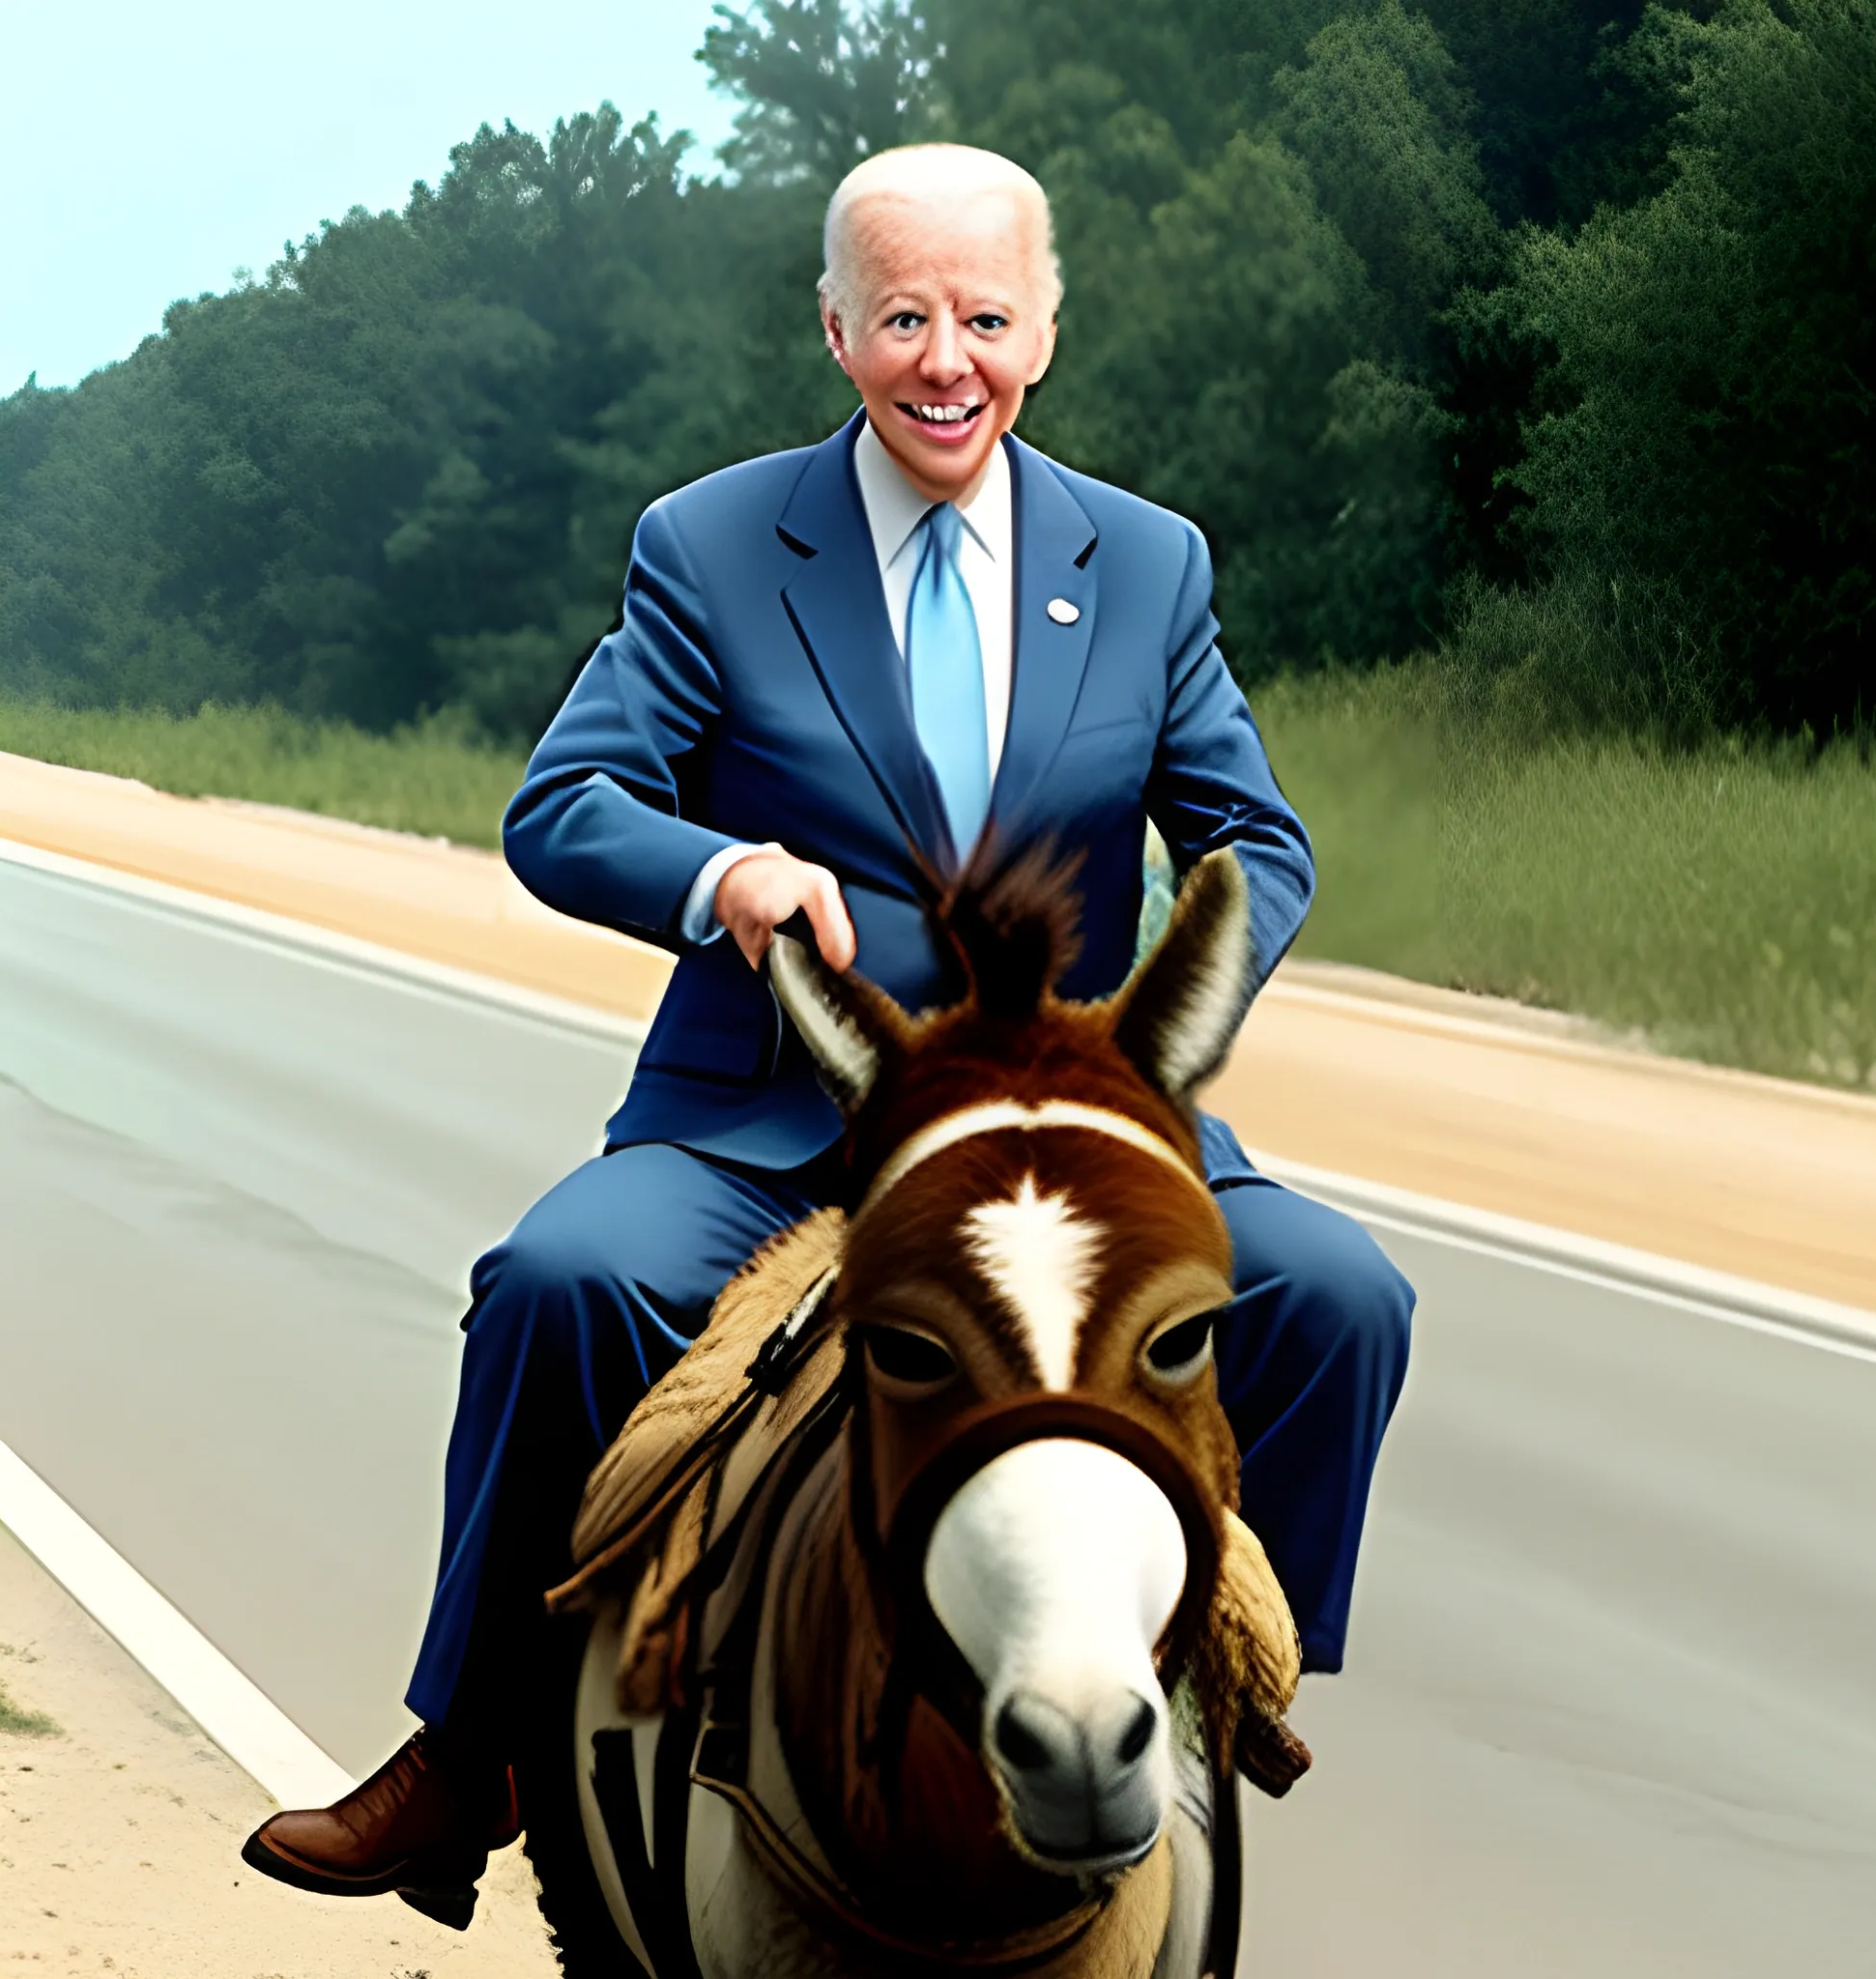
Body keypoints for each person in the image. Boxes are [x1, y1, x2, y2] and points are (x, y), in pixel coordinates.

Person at [243, 142, 1412, 1912]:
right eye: (906, 318)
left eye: (987, 318)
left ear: (1046, 330)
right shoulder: (711, 544)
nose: (949, 360)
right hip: (771, 1119)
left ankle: (1213, 1679)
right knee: (556, 1284)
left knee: (1342, 1299)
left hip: (1056, 1124)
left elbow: (1257, 836)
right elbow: (563, 806)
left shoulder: (1150, 565)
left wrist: (1159, 1037)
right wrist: (721, 875)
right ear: (838, 327)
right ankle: (466, 1750)